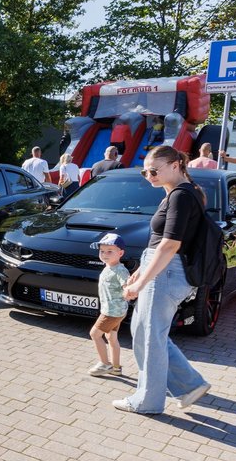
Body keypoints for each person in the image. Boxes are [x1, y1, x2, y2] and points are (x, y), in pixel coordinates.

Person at [117, 146, 211, 414]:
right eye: (145, 171)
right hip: (161, 268)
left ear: (176, 165)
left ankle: (148, 401)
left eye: (154, 170)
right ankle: (190, 385)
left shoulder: (181, 196)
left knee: (150, 337)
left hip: (166, 272)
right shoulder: (177, 193)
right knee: (145, 332)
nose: (149, 175)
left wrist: (140, 283)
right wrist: (140, 269)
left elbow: (170, 244)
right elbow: (158, 242)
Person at [87, 233, 130, 376]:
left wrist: (127, 292)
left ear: (121, 253)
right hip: (113, 310)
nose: (105, 254)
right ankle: (116, 367)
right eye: (102, 251)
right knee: (111, 337)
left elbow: (127, 286)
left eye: (109, 251)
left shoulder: (120, 270)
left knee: (94, 334)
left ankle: (105, 364)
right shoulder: (109, 267)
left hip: (112, 312)